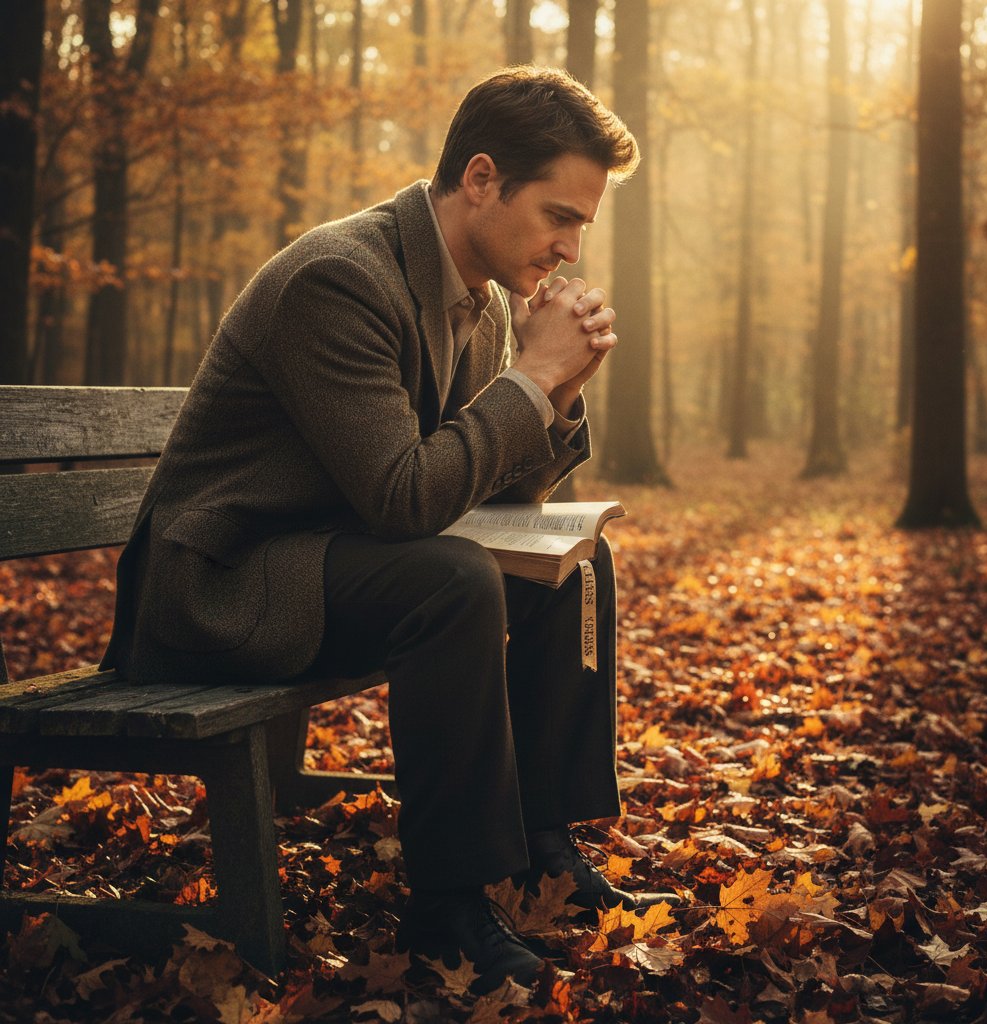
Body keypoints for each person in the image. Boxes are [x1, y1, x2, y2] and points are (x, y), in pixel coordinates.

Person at [101, 66, 678, 994]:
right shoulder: (339, 278)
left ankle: (543, 847)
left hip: (331, 558)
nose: (571, 248)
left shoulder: (481, 303)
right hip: (223, 588)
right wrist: (528, 382)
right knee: (451, 581)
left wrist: (556, 391)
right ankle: (450, 908)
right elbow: (406, 499)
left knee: (575, 562)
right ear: (481, 178)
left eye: (581, 226)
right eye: (559, 216)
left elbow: (493, 502)